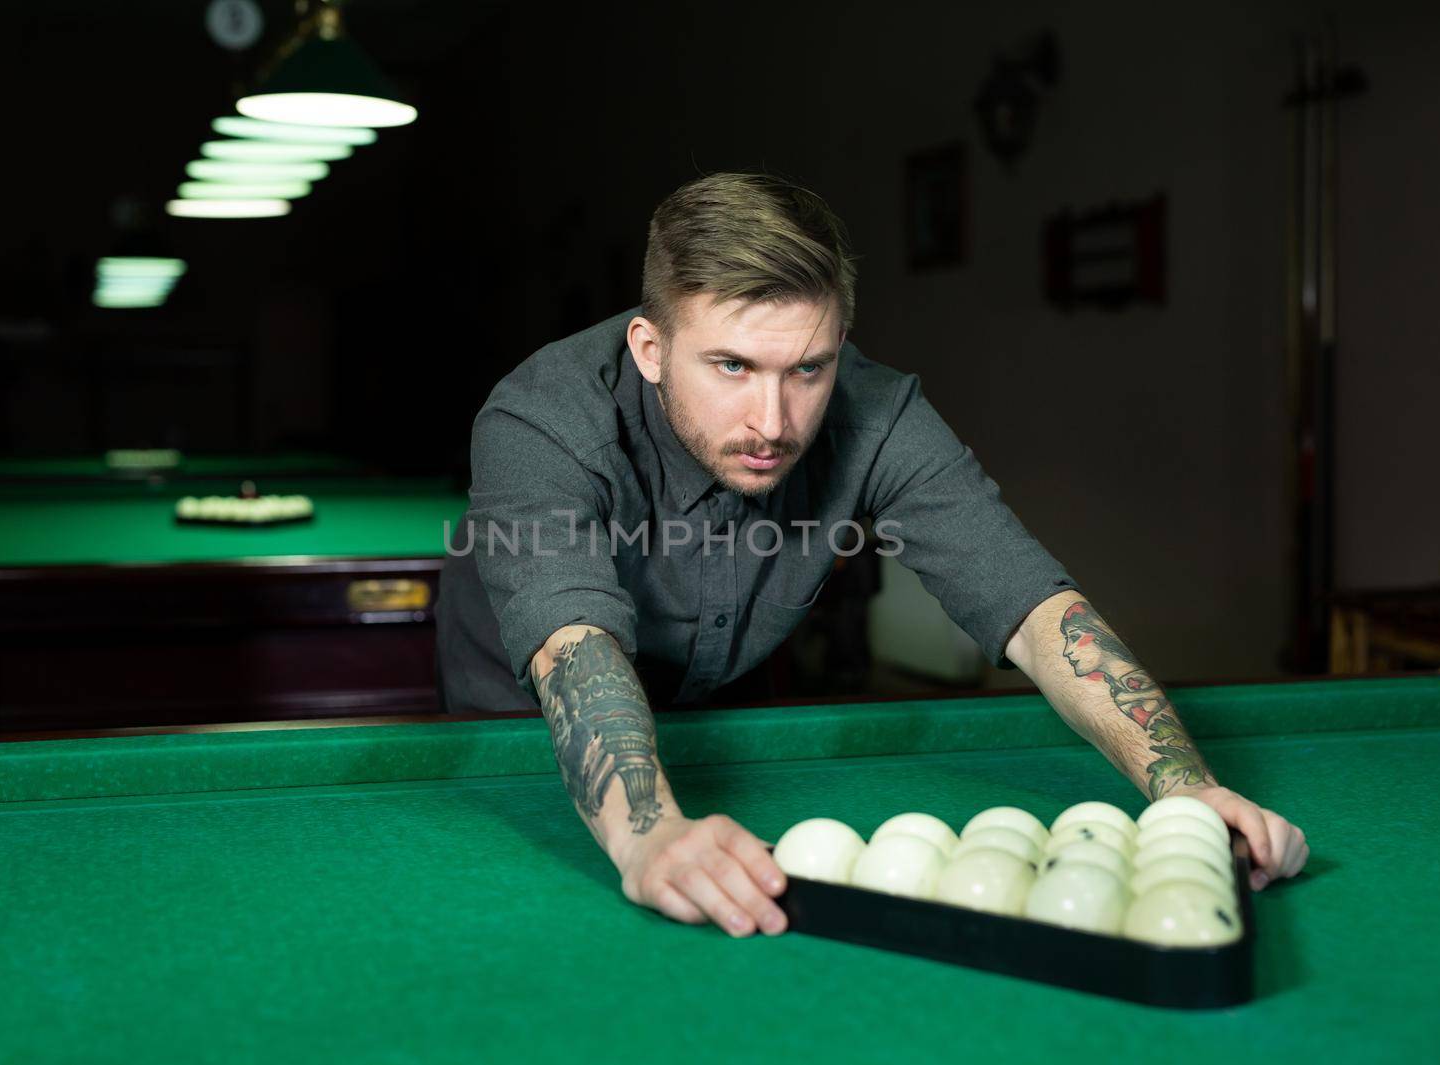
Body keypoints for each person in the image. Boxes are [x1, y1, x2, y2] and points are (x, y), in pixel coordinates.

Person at [434, 172, 1308, 938]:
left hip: (718, 714)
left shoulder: (879, 412)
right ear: (650, 350)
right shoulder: (540, 419)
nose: (773, 424)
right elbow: (571, 640)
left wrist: (1184, 787)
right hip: (519, 725)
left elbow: (1037, 614)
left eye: (807, 369)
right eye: (733, 366)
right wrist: (653, 832)